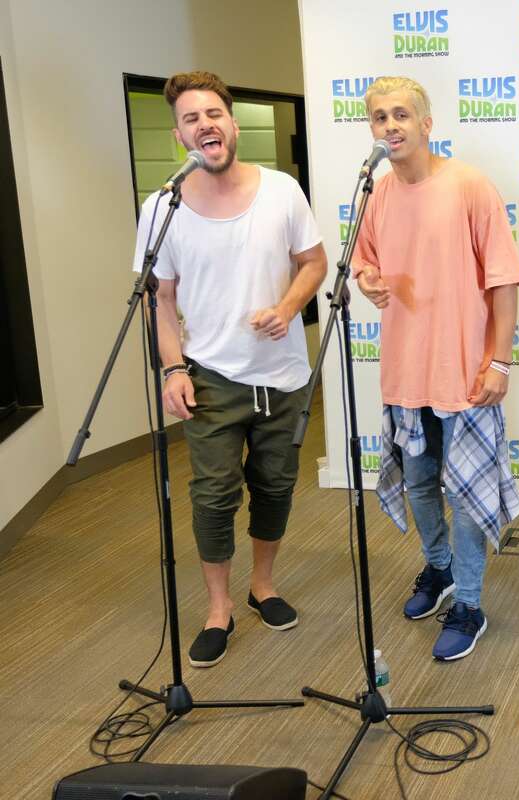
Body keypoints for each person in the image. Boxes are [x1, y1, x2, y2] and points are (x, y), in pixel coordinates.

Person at [134, 71, 327, 668]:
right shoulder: (162, 208)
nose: (205, 126)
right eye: (192, 119)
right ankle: (219, 608)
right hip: (211, 373)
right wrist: (172, 369)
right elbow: (160, 298)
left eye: (213, 114)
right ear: (180, 136)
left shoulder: (282, 191)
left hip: (283, 374)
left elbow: (315, 263)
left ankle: (262, 585)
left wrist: (289, 308)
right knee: (214, 495)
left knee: (274, 488)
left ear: (232, 124)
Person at [352, 76, 519, 661]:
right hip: (405, 372)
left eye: (401, 114)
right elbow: (365, 261)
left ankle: (469, 603)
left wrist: (498, 360)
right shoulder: (376, 192)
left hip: (464, 374)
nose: (390, 126)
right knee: (421, 482)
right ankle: (440, 568)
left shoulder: (470, 186)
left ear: (427, 124)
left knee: (468, 489)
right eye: (379, 117)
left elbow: (504, 283)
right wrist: (367, 279)